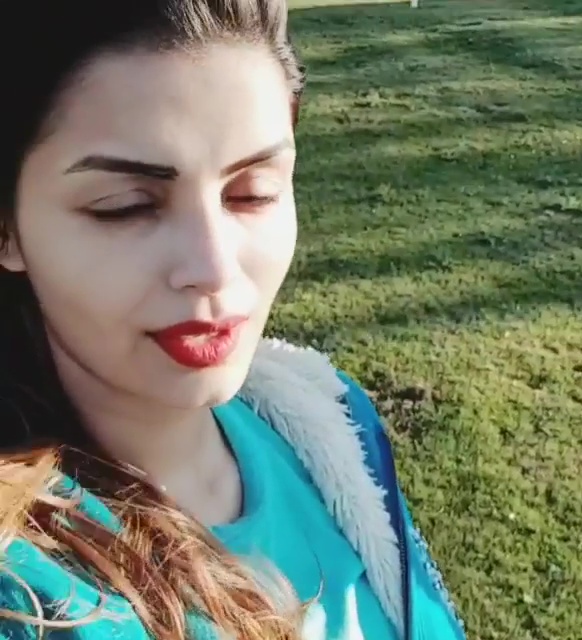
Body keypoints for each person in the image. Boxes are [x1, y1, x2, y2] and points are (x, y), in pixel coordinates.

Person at [0, 1, 466, 639]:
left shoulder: (330, 425)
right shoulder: (24, 595)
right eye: (125, 206)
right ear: (8, 227)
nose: (215, 268)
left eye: (253, 193)